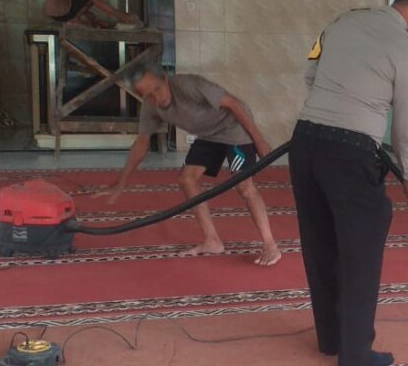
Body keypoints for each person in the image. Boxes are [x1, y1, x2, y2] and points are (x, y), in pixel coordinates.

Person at [290, 0, 408, 366]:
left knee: (321, 244)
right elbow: (406, 123)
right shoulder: (407, 53)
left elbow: (310, 73)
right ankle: (356, 353)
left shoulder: (341, 22)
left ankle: (330, 338)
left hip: (304, 144)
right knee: (360, 251)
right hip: (349, 153)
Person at [102, 63, 282, 266]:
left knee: (243, 185)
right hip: (209, 135)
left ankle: (270, 244)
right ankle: (212, 240)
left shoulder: (190, 85)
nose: (156, 98)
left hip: (234, 128)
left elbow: (234, 104)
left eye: (157, 89)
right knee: (187, 179)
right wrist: (121, 182)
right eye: (148, 94)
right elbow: (142, 142)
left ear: (166, 80)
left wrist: (259, 140)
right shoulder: (150, 106)